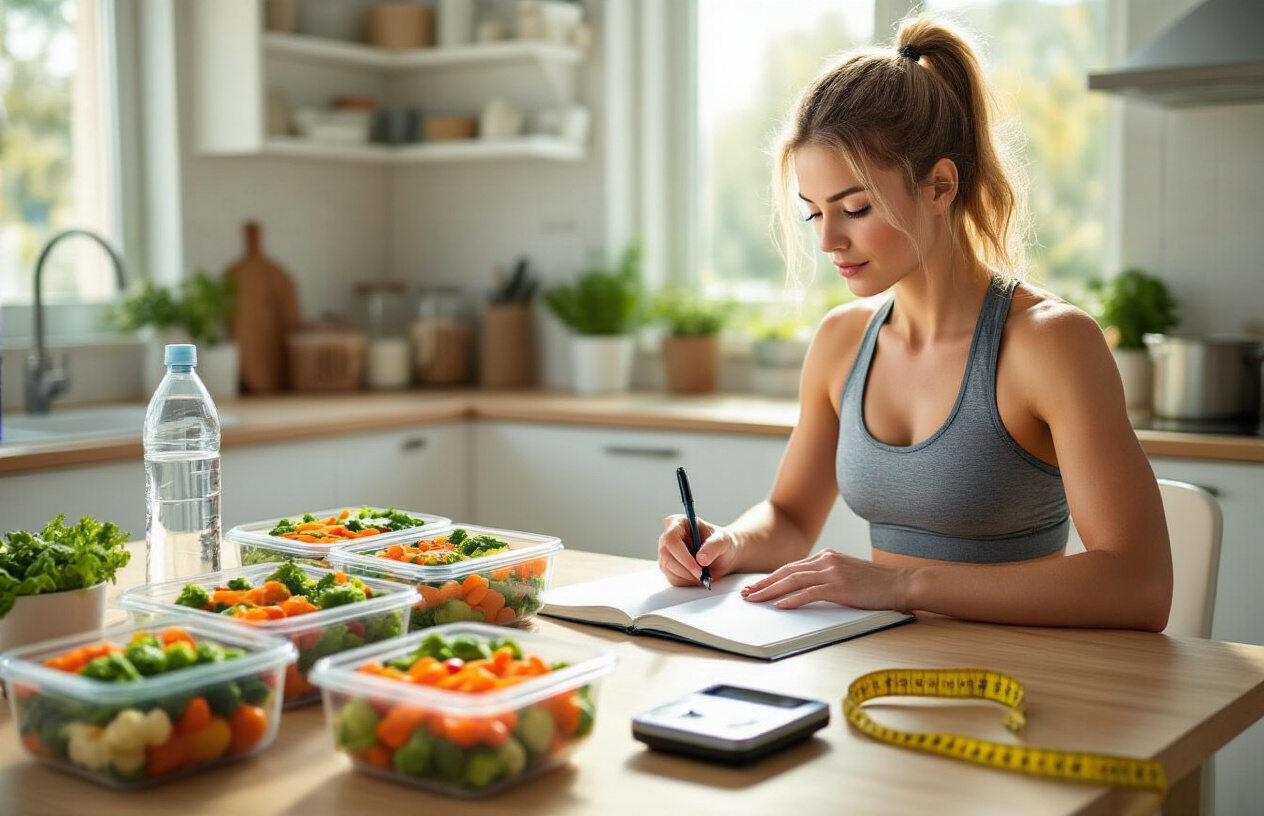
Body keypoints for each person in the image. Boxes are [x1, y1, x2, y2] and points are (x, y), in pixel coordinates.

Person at [657, 14, 1172, 631]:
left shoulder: (1051, 344)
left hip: (1021, 686)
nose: (830, 241)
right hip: (883, 674)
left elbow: (1139, 584)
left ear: (940, 185)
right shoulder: (841, 341)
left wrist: (902, 584)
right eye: (813, 214)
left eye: (854, 207)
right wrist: (728, 543)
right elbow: (791, 517)